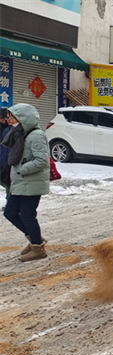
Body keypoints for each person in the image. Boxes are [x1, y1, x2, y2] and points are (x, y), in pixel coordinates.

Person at [1, 103, 50, 262]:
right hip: (20, 182)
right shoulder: (18, 133)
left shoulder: (36, 135)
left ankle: (38, 248)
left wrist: (22, 168)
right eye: (9, 116)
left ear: (24, 118)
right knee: (10, 212)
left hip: (31, 182)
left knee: (28, 215)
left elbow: (42, 161)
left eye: (13, 116)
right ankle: (35, 239)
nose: (10, 119)